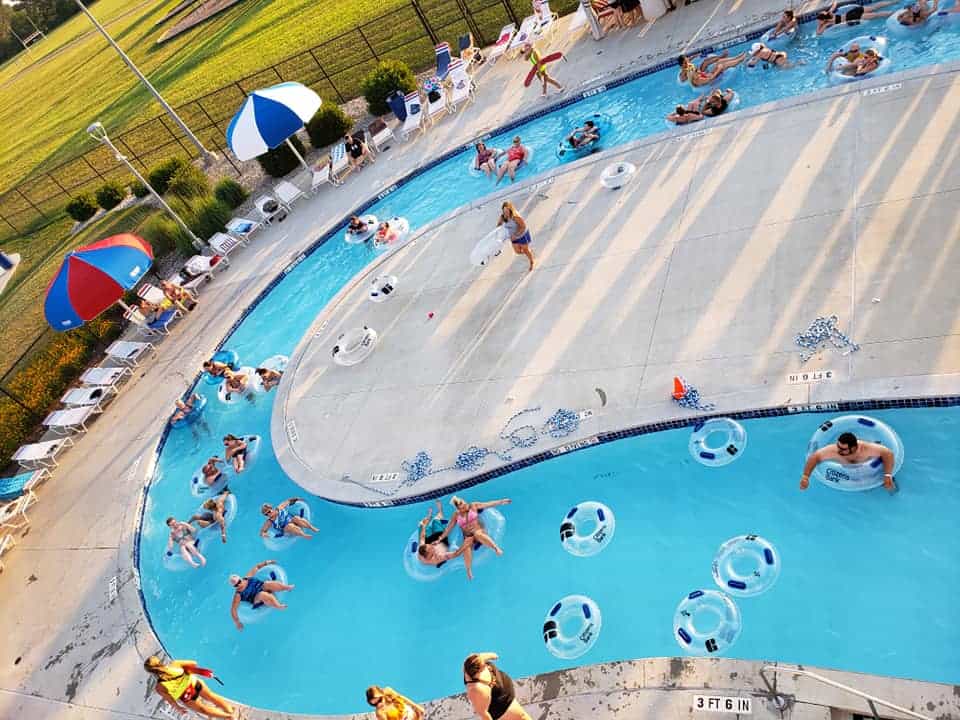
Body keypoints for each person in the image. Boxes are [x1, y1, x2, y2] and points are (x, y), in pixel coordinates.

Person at [799, 431, 897, 493]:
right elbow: (814, 457)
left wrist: (887, 475)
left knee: (892, 489)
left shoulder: (866, 449)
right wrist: (805, 477)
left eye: (843, 448)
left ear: (853, 447)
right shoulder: (834, 450)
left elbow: (888, 454)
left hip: (873, 472)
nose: (838, 450)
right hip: (852, 477)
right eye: (838, 446)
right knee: (865, 493)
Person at [144, 656, 238, 719]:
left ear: (151, 672)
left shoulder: (159, 687)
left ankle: (228, 716)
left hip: (187, 696)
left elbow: (171, 700)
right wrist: (186, 668)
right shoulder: (175, 664)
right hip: (194, 682)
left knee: (204, 709)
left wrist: (178, 708)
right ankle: (230, 711)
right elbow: (194, 663)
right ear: (159, 662)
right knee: (212, 697)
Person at [438, 495, 511, 561]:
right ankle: (443, 558)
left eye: (463, 502)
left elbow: (488, 504)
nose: (464, 505)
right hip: (469, 537)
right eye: (461, 506)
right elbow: (449, 528)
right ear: (458, 508)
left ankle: (496, 548)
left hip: (479, 531)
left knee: (477, 534)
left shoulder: (473, 506)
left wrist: (502, 501)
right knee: (464, 548)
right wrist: (440, 538)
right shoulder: (456, 515)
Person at [229, 559, 294, 631]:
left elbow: (257, 567)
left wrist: (268, 562)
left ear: (240, 578)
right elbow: (233, 610)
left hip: (262, 587)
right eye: (236, 585)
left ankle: (286, 587)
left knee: (267, 583)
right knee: (262, 594)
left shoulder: (247, 577)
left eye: (239, 582)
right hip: (256, 599)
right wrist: (237, 622)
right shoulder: (238, 595)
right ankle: (278, 606)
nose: (239, 584)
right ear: (234, 587)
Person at [463, 653, 531, 720]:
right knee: (522, 716)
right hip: (503, 709)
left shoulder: (476, 660)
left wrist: (491, 656)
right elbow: (484, 714)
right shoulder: (478, 689)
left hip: (505, 695)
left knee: (523, 716)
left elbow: (494, 655)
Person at [417, 501, 470, 574]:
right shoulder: (437, 558)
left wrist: (424, 525)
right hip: (441, 540)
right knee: (436, 521)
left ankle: (435, 514)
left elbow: (422, 537)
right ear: (429, 555)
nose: (431, 545)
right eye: (431, 548)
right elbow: (455, 554)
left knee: (422, 526)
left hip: (432, 540)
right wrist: (465, 545)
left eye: (428, 545)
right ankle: (440, 511)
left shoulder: (421, 550)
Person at [815, 1, 897, 34]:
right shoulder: (830, 13)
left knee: (877, 15)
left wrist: (822, 25)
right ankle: (894, 1)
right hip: (853, 11)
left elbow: (818, 33)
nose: (818, 22)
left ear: (823, 19)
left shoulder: (829, 22)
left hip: (853, 16)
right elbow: (834, 4)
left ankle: (895, 13)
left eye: (819, 21)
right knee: (875, 7)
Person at [496, 201, 534, 272]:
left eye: (507, 210)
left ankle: (531, 261)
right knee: (517, 252)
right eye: (504, 210)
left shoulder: (515, 216)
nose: (506, 212)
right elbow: (498, 225)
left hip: (522, 235)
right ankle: (530, 252)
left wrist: (516, 235)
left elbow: (523, 226)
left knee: (525, 250)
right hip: (513, 237)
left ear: (510, 209)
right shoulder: (502, 217)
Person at [678, 51, 746, 88]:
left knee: (719, 62)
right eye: (685, 62)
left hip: (705, 76)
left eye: (687, 61)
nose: (687, 62)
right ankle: (741, 59)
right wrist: (718, 69)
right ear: (682, 65)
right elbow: (711, 79)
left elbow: (689, 60)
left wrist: (694, 56)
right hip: (709, 80)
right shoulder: (696, 79)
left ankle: (736, 57)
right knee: (723, 65)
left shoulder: (689, 66)